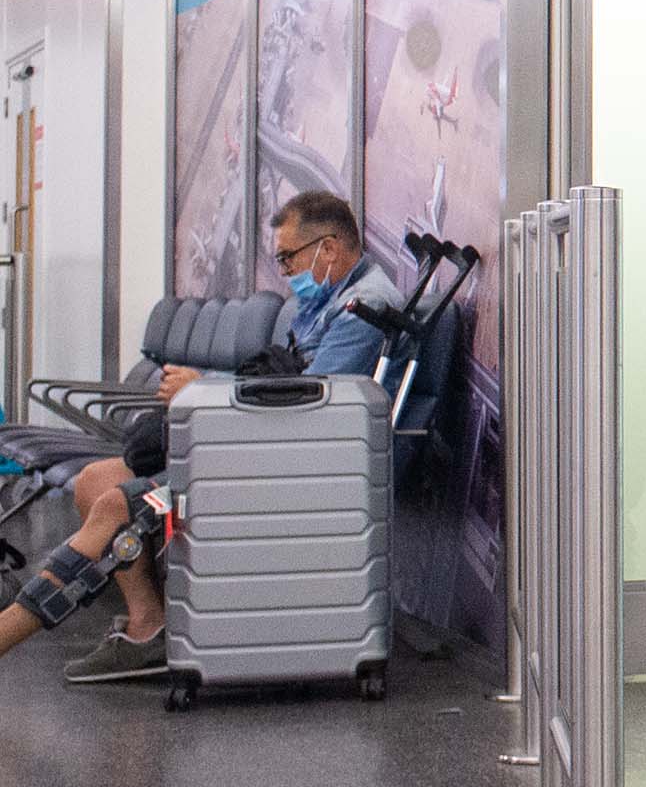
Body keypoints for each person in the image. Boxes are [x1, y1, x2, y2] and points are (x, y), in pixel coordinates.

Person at [3, 190, 402, 684]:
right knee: (93, 481)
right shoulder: (328, 300)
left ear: (329, 247)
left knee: (112, 507)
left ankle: (9, 632)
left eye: (287, 258)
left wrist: (206, 390)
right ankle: (149, 625)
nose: (285, 271)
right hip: (263, 441)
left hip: (291, 461)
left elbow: (312, 407)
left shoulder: (366, 309)